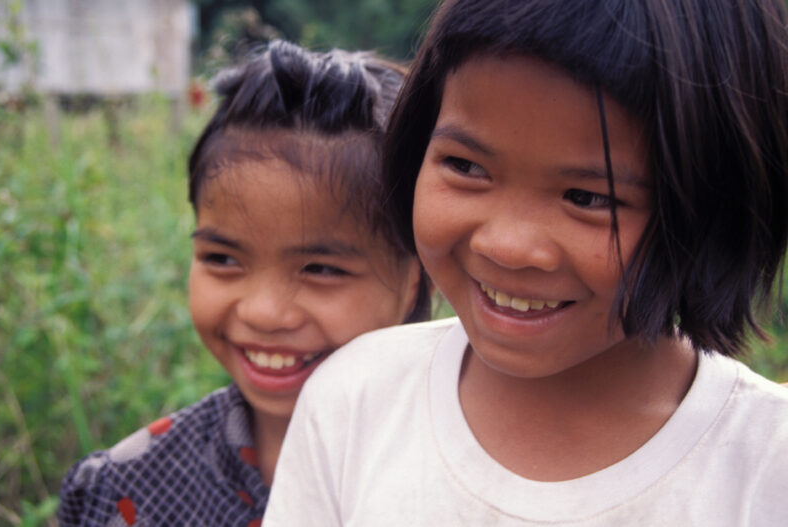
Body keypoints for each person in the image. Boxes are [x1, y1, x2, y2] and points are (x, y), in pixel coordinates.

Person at [263, 1, 788, 525]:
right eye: (466, 166)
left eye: (587, 198)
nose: (506, 246)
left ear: (718, 214)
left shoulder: (767, 464)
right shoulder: (354, 402)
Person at [57, 40, 429, 527]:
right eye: (222, 259)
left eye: (320, 269)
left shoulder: (470, 487)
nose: (263, 313)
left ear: (414, 278)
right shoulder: (123, 493)